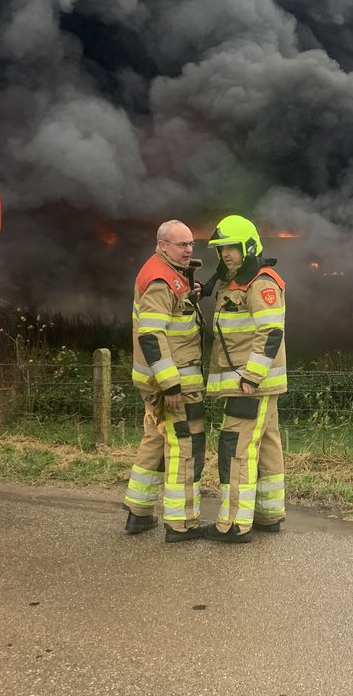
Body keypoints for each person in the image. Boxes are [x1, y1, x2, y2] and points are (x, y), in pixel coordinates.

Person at [204, 214, 287, 543]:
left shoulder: (261, 283)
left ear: (248, 247)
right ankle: (268, 514)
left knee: (235, 449)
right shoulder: (235, 281)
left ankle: (234, 525)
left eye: (232, 248)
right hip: (252, 383)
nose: (225, 254)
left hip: (250, 385)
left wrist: (251, 377)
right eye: (222, 249)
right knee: (266, 445)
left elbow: (270, 332)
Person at [123, 219, 207, 542]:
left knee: (155, 441)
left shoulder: (164, 272)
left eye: (190, 244)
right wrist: (171, 384)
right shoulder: (160, 279)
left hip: (154, 381)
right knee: (184, 447)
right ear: (162, 246)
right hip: (173, 385)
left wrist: (190, 295)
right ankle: (182, 523)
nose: (188, 250)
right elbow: (152, 334)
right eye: (181, 245)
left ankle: (138, 514)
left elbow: (171, 318)